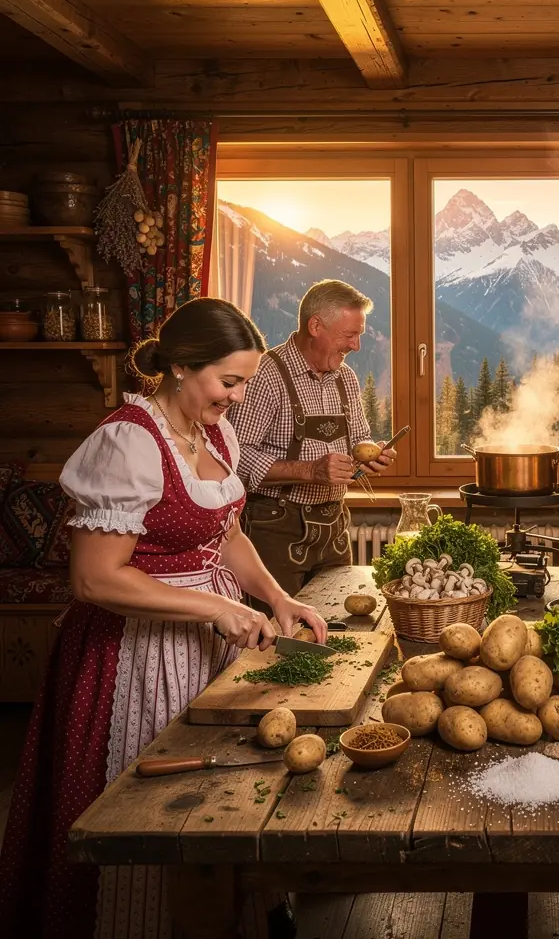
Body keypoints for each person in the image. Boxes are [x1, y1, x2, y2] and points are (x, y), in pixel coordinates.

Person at [0, 297, 328, 939]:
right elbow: (94, 578)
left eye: (244, 383)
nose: (236, 397)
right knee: (146, 805)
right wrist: (215, 605)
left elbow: (227, 535)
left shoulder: (217, 434)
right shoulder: (127, 441)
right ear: (180, 366)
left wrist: (273, 598)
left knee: (217, 795)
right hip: (133, 654)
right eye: (228, 382)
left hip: (211, 642)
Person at [228, 279, 396, 598]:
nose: (357, 345)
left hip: (333, 528)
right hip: (275, 528)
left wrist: (372, 456)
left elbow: (359, 438)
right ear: (316, 326)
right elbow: (234, 458)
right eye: (349, 335)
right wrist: (310, 471)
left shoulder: (345, 377)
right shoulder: (266, 373)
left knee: (337, 629)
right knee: (279, 639)